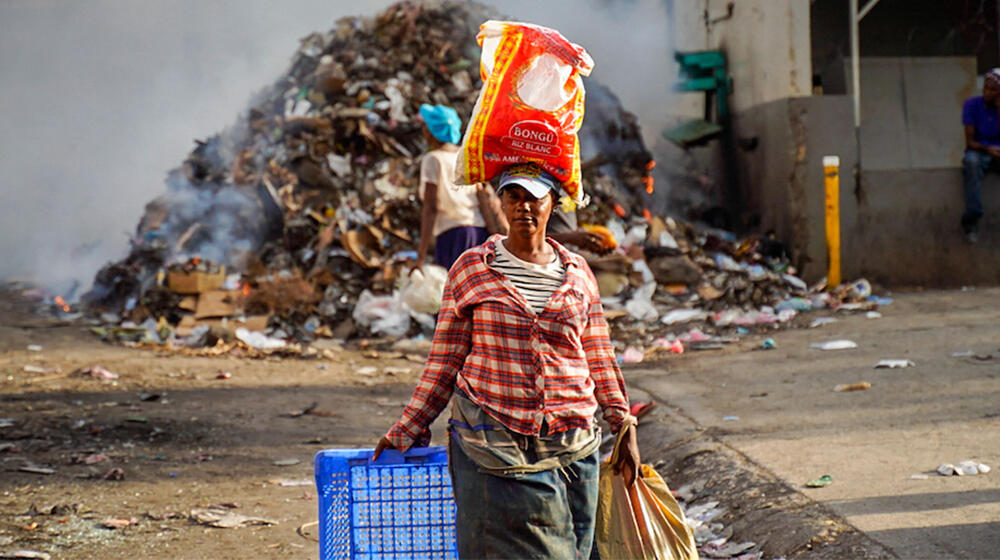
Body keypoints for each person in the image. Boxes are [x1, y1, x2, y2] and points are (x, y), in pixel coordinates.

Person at [374, 163, 640, 559]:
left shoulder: (578, 273)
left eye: (535, 197)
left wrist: (623, 423)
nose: (524, 207)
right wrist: (410, 425)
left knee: (579, 550)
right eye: (513, 196)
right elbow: (445, 359)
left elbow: (598, 353)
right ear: (500, 202)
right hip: (495, 445)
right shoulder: (472, 269)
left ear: (554, 204)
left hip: (574, 445)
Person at [415, 103, 504, 270]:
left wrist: (421, 256)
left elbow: (430, 207)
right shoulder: (466, 157)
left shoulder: (433, 159)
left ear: (431, 131)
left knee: (454, 291)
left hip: (452, 234)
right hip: (478, 231)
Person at [961, 69, 1000, 243]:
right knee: (971, 163)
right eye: (985, 88)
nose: (987, 93)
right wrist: (988, 149)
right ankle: (972, 218)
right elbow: (970, 142)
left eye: (993, 90)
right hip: (980, 151)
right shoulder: (972, 105)